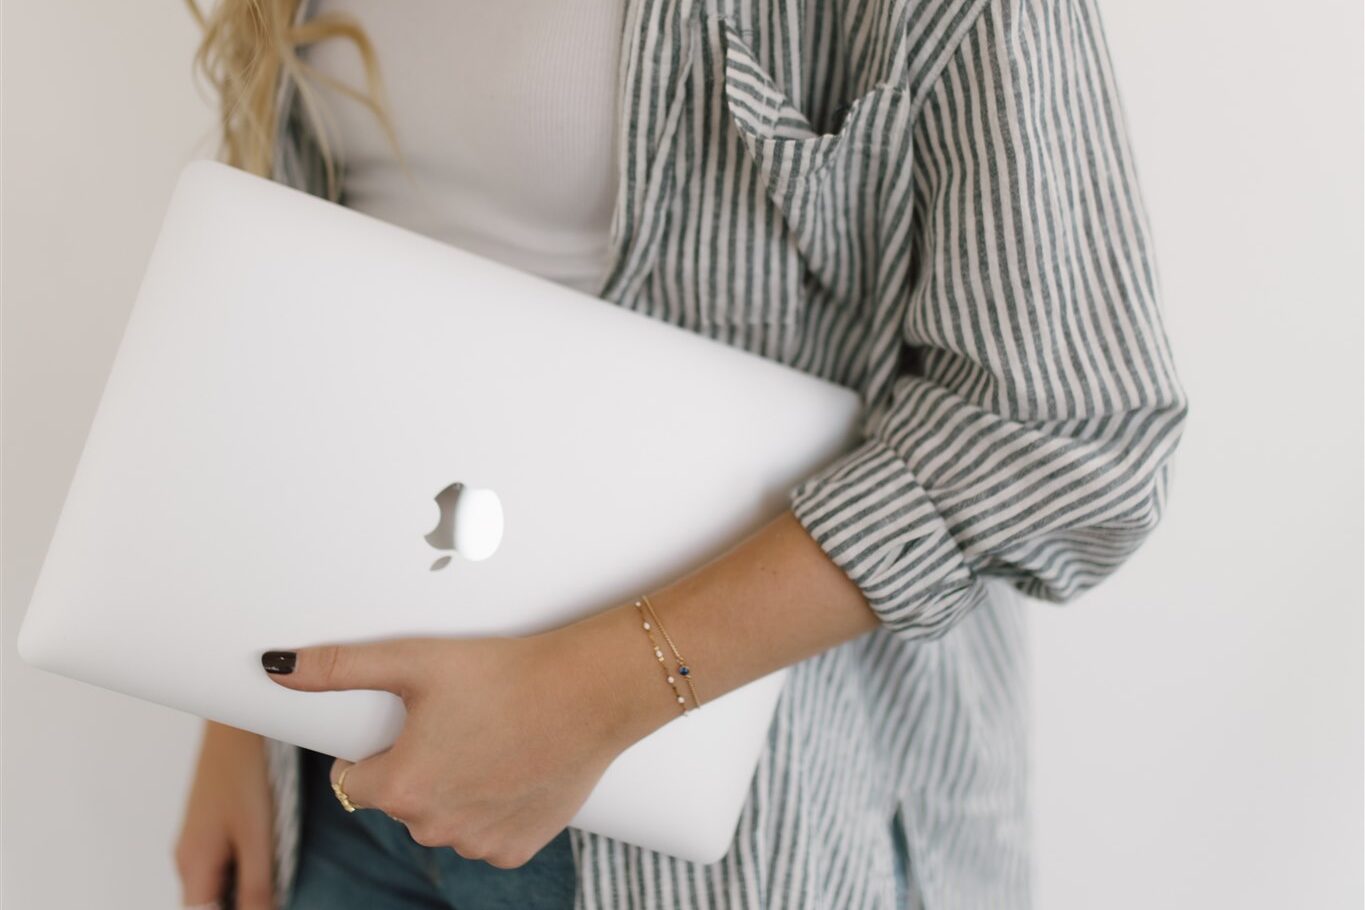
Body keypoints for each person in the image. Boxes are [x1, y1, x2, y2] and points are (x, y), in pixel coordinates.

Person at [173, 0, 1190, 908]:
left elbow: (1066, 431)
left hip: (734, 826)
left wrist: (584, 700)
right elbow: (323, 272)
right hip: (343, 778)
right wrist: (235, 718)